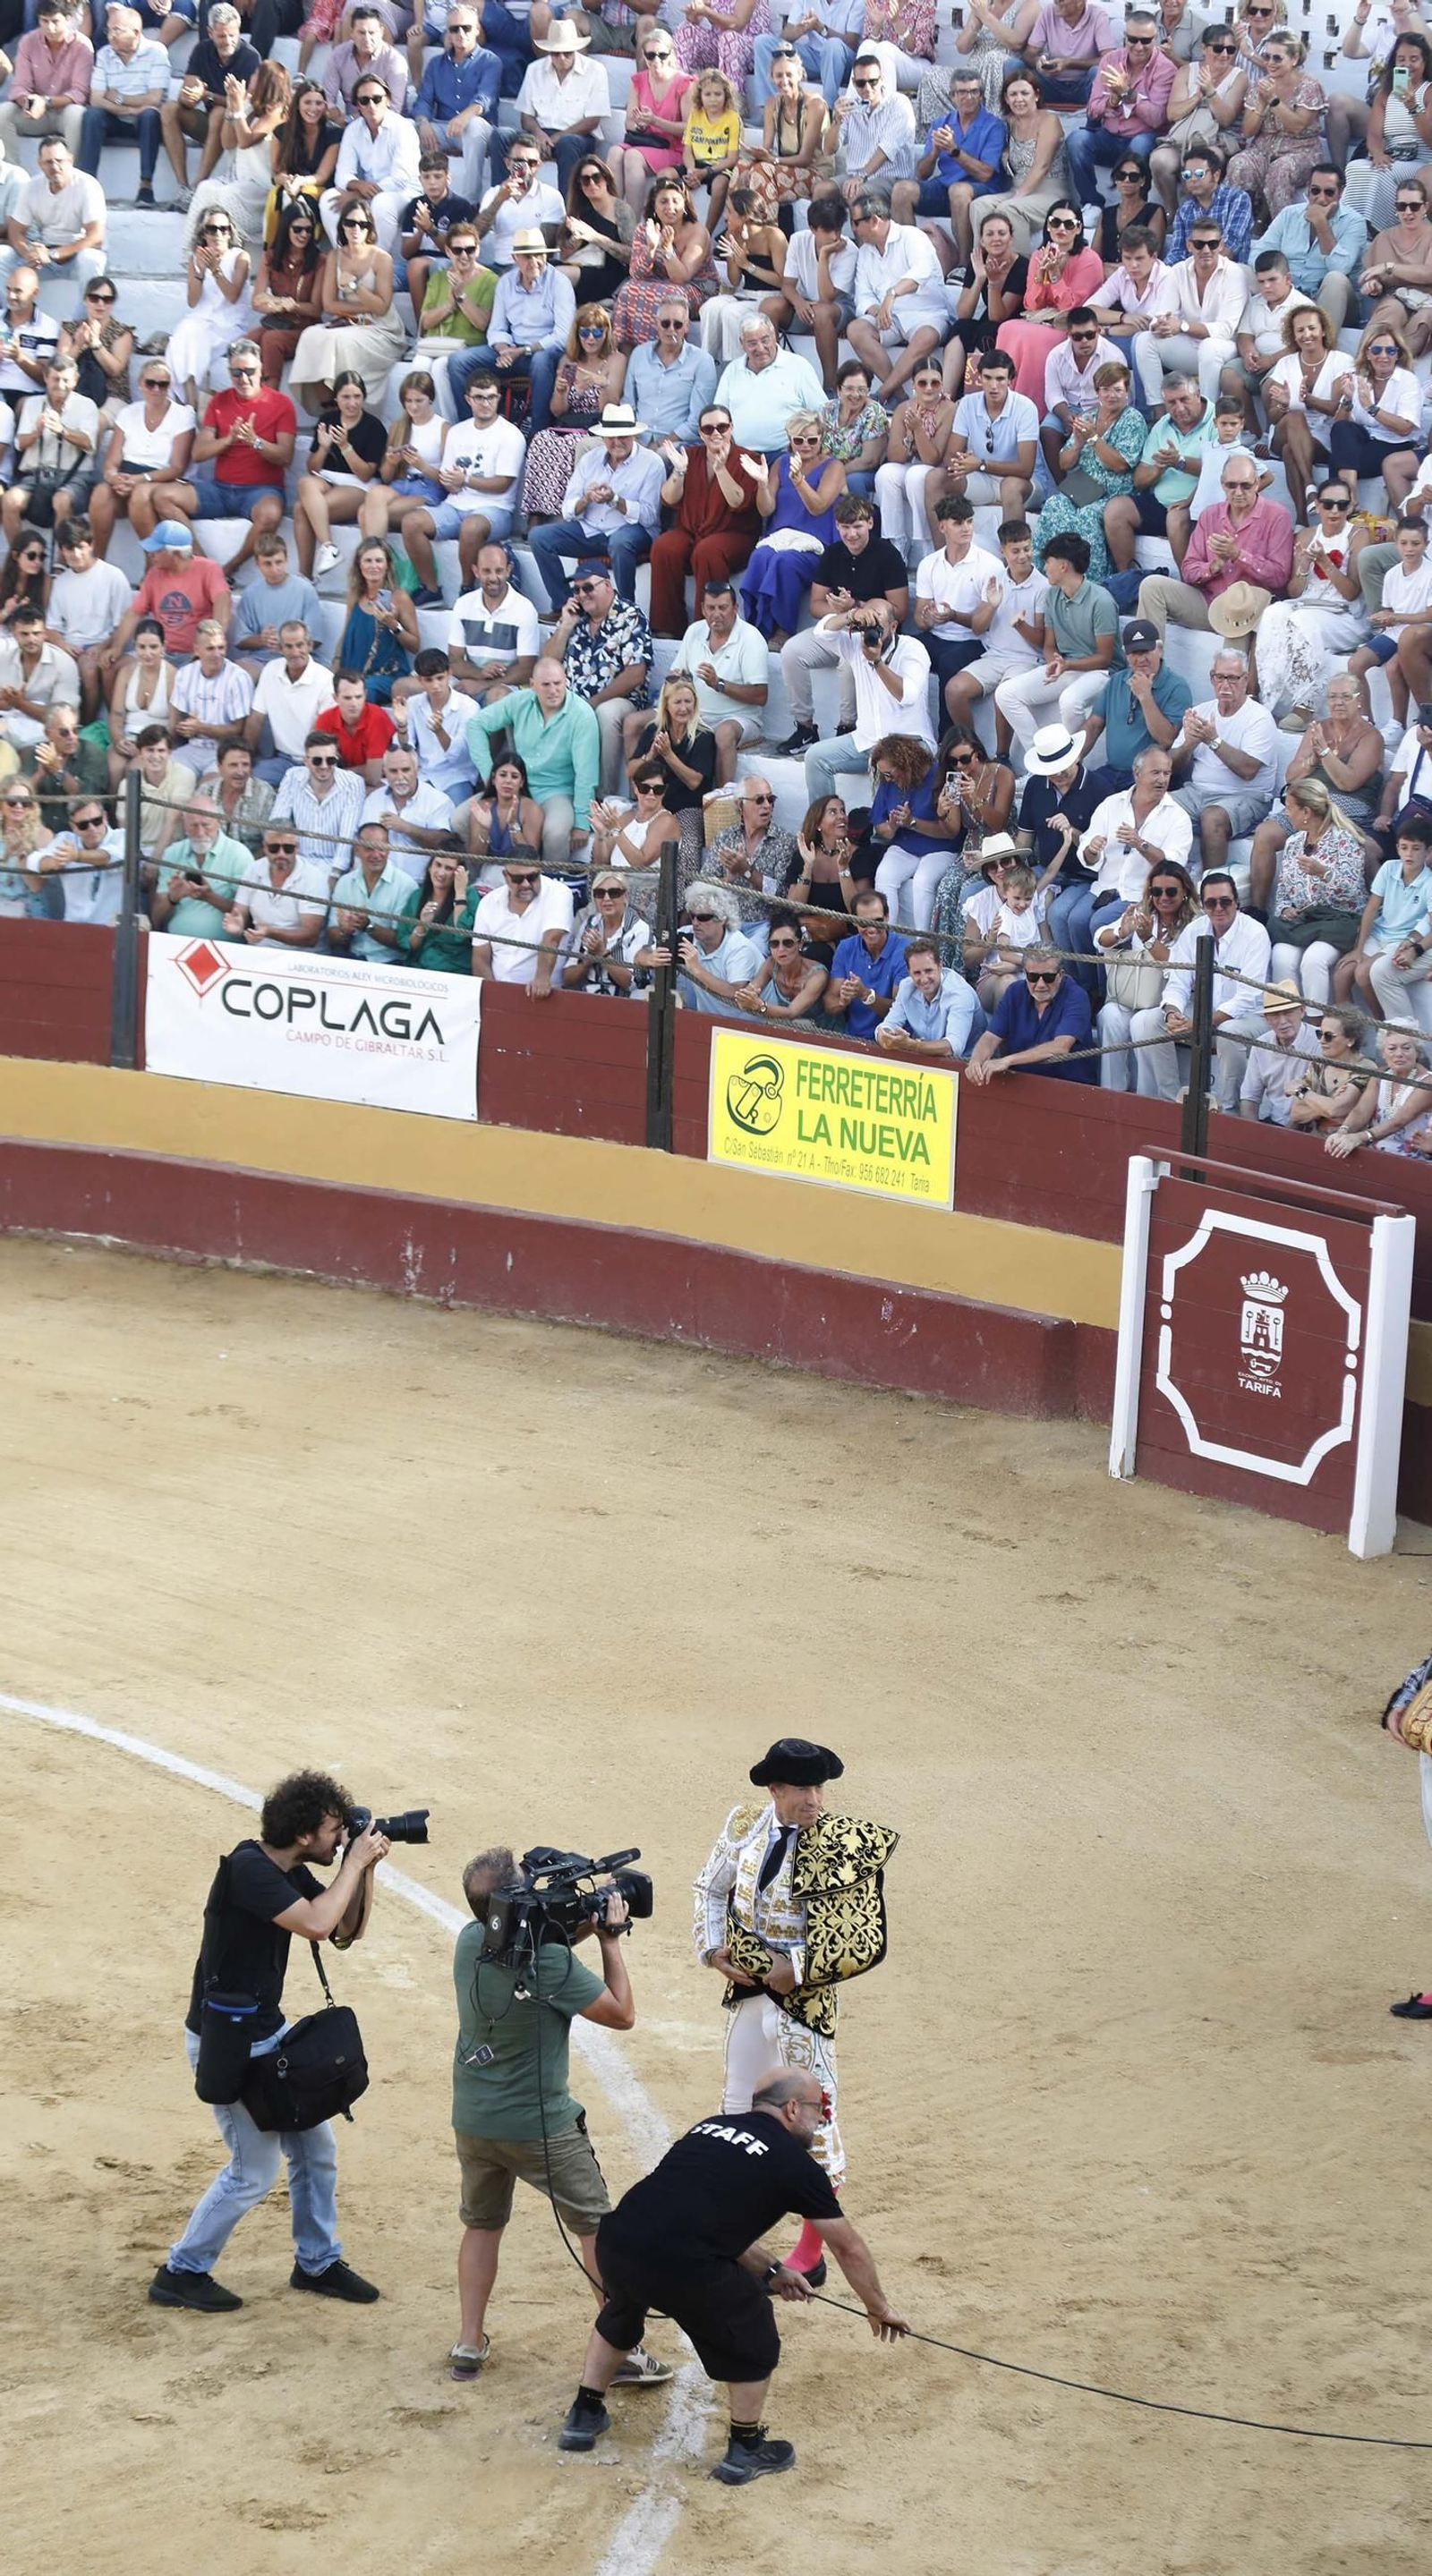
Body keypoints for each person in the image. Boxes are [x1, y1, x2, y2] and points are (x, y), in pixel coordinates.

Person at [557, 2067, 907, 2481]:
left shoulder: (711, 2127)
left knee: (623, 2307)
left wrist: (774, 2269)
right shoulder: (798, 2166)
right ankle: (746, 2447)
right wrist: (878, 2306)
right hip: (683, 2264)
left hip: (617, 2242)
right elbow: (847, 2247)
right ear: (793, 2109)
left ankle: (585, 2412)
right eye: (819, 2109)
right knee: (753, 2324)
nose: (822, 2120)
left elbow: (698, 2213)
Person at [148, 1769, 388, 2317]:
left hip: (263, 2033)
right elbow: (317, 1925)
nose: (337, 1838)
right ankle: (181, 2271)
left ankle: (317, 2261)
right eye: (332, 1829)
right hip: (227, 2046)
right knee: (252, 2172)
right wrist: (350, 1865)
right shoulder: (250, 1871)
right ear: (304, 1833)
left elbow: (348, 1929)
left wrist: (363, 1868)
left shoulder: (286, 1869)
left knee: (315, 2150)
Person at [444, 1840, 669, 2384]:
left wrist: (579, 1924)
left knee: (481, 2225)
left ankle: (469, 2343)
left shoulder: (470, 1939)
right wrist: (610, 1940)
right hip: (540, 2126)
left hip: (473, 2119)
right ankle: (623, 2353)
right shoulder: (549, 1962)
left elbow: (536, 1934)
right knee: (598, 2228)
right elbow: (621, 2015)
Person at [692, 1733, 899, 2275]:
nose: (815, 1800)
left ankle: (811, 2254)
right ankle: (731, 2229)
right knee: (737, 2105)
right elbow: (709, 1890)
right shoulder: (744, 1827)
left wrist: (797, 1968)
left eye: (820, 1788)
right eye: (803, 1789)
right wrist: (714, 1950)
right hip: (748, 1992)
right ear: (776, 1789)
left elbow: (858, 1939)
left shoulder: (842, 1844)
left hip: (803, 2007)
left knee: (814, 2120)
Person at [154, 341, 295, 581]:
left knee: (271, 514)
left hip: (261, 491)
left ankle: (229, 569)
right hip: (220, 489)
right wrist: (228, 440)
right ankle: (203, 564)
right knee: (161, 497)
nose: (243, 378)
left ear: (260, 368)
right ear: (229, 372)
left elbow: (286, 456)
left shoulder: (281, 404)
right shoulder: (219, 401)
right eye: (236, 372)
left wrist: (255, 442)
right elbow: (199, 453)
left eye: (249, 371)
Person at [1130, 868, 1273, 1102]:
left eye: (1225, 902)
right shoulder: (1195, 930)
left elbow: (1248, 998)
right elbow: (1178, 980)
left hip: (1248, 1019)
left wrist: (1200, 1022)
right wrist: (1172, 1013)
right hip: (1203, 1015)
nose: (1218, 908)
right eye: (1211, 903)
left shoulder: (1255, 934)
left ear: (1237, 902)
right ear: (1204, 905)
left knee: (1229, 1032)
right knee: (1147, 1021)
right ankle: (1170, 1102)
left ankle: (1230, 1109)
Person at [1135, 451, 1293, 640]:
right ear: (1222, 484)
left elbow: (1279, 577)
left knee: (1240, 623)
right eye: (1231, 485)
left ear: (1257, 483)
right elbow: (1189, 570)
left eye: (1246, 485)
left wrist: (1238, 555)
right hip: (1210, 601)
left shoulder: (1277, 516)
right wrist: (1213, 566)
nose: (1238, 492)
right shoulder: (1209, 515)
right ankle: (1147, 662)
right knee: (1152, 586)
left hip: (1248, 609)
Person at [528, 397, 663, 614]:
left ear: (634, 436)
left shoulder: (651, 463)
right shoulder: (590, 459)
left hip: (631, 531)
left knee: (620, 542)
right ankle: (565, 606)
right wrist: (586, 499)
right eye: (611, 437)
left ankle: (626, 611)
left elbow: (649, 517)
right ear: (602, 437)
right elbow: (568, 509)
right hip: (591, 530)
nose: (617, 442)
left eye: (623, 436)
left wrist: (615, 500)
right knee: (539, 537)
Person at [465, 656, 598, 868]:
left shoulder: (582, 715)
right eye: (546, 685)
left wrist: (582, 821)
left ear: (566, 681)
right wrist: (489, 775)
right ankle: (473, 887)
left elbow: (586, 773)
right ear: (533, 684)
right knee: (459, 818)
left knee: (555, 832)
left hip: (557, 790)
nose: (553, 690)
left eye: (558, 683)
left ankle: (552, 887)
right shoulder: (520, 700)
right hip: (515, 784)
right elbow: (475, 725)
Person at [994, 529, 1116, 751]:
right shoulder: (1052, 595)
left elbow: (1105, 659)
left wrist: (1067, 664)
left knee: (1070, 701)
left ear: (1063, 566)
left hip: (1101, 673)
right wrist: (1055, 663)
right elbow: (1049, 645)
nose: (1044, 568)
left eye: (1048, 562)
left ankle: (1070, 763)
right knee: (1005, 693)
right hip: (1066, 667)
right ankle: (1042, 759)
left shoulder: (1102, 601)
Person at [803, 597, 933, 804]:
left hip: (910, 742)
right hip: (866, 741)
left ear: (893, 626)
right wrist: (851, 615)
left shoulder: (912, 648)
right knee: (815, 757)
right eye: (868, 624)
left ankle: (884, 833)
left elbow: (907, 695)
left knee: (888, 763)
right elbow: (822, 632)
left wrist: (876, 662)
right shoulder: (856, 643)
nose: (873, 631)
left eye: (878, 625)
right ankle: (823, 827)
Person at [1167, 644, 1281, 876]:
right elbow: (1171, 767)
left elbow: (1248, 769)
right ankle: (1161, 881)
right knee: (1155, 804)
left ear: (1245, 679)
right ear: (1211, 678)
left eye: (1233, 678)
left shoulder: (1259, 717)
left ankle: (1212, 887)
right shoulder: (1200, 711)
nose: (1225, 685)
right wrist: (1189, 743)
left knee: (1213, 817)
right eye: (1220, 677)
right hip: (1197, 792)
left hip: (1246, 797)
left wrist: (1212, 740)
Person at [650, 404, 760, 640]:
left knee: (707, 551)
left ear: (731, 428)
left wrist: (721, 470)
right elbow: (668, 498)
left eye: (722, 427)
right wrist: (679, 472)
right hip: (692, 529)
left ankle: (709, 629)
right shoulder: (690, 456)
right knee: (664, 546)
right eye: (708, 429)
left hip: (734, 534)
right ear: (700, 433)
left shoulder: (747, 458)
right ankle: (667, 628)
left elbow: (738, 502)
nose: (716, 433)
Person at [548, 555, 652, 794]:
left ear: (607, 585)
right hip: (572, 701)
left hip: (619, 701)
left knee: (607, 714)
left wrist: (591, 703)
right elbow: (548, 662)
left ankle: (606, 798)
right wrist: (565, 626)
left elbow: (636, 673)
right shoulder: (575, 618)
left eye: (588, 587)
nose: (582, 594)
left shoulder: (630, 615)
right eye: (576, 590)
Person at [1094, 855, 1198, 1090]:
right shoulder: (1143, 914)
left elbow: (1178, 967)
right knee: (1109, 1014)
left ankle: (1147, 1098)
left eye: (1171, 892)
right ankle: (1112, 1092)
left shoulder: (1195, 924)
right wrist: (1123, 930)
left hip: (1174, 1001)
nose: (1163, 898)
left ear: (1184, 892)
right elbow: (1100, 941)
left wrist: (1148, 939)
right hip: (1137, 994)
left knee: (1142, 1022)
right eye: (1156, 892)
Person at [740, 410, 844, 644]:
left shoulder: (833, 467)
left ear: (821, 439)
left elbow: (817, 506)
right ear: (790, 440)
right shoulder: (781, 463)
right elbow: (766, 510)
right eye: (798, 440)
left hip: (816, 545)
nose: (805, 445)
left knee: (784, 562)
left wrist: (799, 482)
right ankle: (755, 628)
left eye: (812, 440)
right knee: (759, 557)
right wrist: (763, 485)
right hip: (781, 538)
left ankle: (782, 630)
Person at [523, 302, 628, 522]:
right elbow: (558, 410)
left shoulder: (615, 360)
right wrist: (561, 392)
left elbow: (610, 409)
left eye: (597, 331)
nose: (591, 338)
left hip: (597, 424)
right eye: (585, 332)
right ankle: (537, 514)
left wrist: (601, 383)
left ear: (606, 333)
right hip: (569, 423)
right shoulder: (569, 361)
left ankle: (567, 511)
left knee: (570, 445)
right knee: (541, 439)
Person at [666, 575, 768, 786]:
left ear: (735, 608)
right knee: (636, 723)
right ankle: (640, 803)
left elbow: (760, 695)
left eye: (723, 608)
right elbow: (676, 675)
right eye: (711, 608)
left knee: (723, 733)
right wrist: (678, 680)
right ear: (702, 609)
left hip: (741, 718)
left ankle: (722, 804)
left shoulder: (751, 638)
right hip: (696, 714)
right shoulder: (695, 631)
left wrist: (718, 684)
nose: (716, 614)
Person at [1074, 617, 1190, 794]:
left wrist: (1145, 696)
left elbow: (1167, 739)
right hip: (1112, 771)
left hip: (1149, 777)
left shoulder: (1177, 686)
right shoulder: (1117, 681)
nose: (1141, 658)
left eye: (1146, 651)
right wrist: (1075, 757)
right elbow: (1094, 724)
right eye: (1134, 653)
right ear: (1126, 655)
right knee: (1079, 795)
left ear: (1159, 650)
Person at [965, 941, 1094, 1083]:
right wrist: (976, 1060)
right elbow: (990, 1037)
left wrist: (1008, 1061)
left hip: (1069, 1087)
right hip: (1020, 1084)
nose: (1040, 985)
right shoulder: (1014, 992)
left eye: (1048, 978)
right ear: (1025, 974)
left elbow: (1061, 1046)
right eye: (1033, 977)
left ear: (1061, 975)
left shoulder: (1076, 997)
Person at [518, 20, 610, 200]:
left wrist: (558, 136)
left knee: (567, 143)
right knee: (501, 136)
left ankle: (566, 210)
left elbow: (593, 120)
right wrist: (538, 133)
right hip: (542, 133)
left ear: (575, 50)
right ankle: (503, 203)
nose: (561, 58)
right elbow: (526, 116)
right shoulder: (534, 69)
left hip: (578, 135)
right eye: (556, 53)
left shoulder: (595, 70)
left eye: (567, 53)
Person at [713, 312, 825, 455]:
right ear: (742, 344)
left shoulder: (798, 366)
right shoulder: (733, 370)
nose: (760, 348)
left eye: (765, 340)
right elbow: (719, 415)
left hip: (786, 454)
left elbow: (821, 413)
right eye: (752, 343)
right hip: (741, 454)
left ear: (774, 337)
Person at [0, 4, 92, 167]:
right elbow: (20, 86)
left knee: (76, 113)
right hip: (36, 114)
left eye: (55, 21)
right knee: (4, 111)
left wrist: (46, 102)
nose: (50, 27)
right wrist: (30, 103)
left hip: (64, 112)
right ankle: (14, 175)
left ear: (68, 20)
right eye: (44, 21)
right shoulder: (28, 42)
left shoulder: (82, 45)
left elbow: (79, 93)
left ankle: (70, 172)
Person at [471, 846, 575, 989]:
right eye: (518, 879)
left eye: (532, 877)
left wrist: (542, 978)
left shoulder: (559, 892)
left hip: (544, 993)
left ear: (541, 871)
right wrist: (493, 993)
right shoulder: (488, 902)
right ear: (506, 876)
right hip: (499, 991)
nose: (526, 884)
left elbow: (552, 939)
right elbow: (480, 957)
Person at [448, 537, 540, 699]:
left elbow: (527, 670)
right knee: (410, 687)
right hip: (472, 678)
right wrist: (479, 673)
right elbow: (454, 660)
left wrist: (483, 684)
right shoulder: (463, 604)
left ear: (509, 570)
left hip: (507, 685)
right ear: (476, 571)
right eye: (486, 571)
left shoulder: (525, 609)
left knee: (496, 696)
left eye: (499, 571)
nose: (493, 578)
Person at [623, 292, 715, 447]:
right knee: (586, 446)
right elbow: (628, 404)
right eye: (665, 323)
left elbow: (697, 420)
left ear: (686, 326)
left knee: (661, 457)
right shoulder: (639, 354)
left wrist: (662, 443)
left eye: (677, 324)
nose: (671, 329)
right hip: (637, 438)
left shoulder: (702, 361)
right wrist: (632, 438)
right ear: (656, 324)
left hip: (676, 443)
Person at [268, 728, 367, 873]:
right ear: (306, 761)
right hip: (296, 861)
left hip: (333, 863)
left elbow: (348, 834)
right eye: (317, 760)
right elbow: (277, 822)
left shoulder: (353, 783)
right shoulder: (292, 777)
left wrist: (335, 873)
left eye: (331, 760)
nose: (324, 766)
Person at [874, 931, 984, 1055]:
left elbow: (953, 1047)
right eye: (917, 973)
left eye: (928, 971)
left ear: (940, 965)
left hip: (968, 1064)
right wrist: (884, 1036)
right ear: (909, 972)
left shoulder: (959, 994)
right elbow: (888, 1024)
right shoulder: (906, 986)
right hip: (926, 1060)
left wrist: (913, 1045)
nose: (924, 979)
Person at [221, 823, 328, 948]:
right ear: (265, 847)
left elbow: (310, 937)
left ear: (297, 848)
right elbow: (239, 912)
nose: (281, 854)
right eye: (274, 848)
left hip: (302, 959)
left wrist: (269, 932)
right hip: (261, 953)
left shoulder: (314, 878)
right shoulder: (253, 869)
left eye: (288, 848)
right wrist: (238, 925)